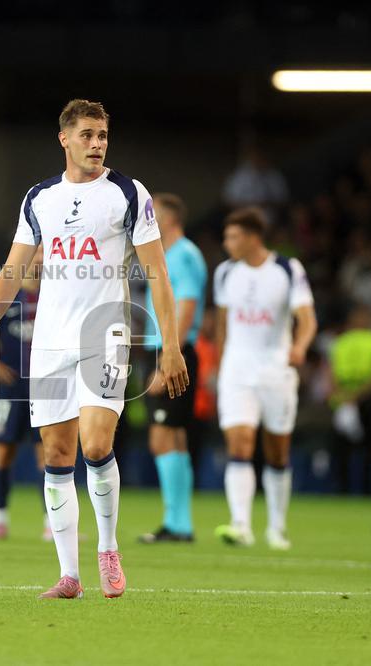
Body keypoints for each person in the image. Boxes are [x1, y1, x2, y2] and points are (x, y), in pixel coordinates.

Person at [0, 99, 188, 599]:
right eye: (87, 135)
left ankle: (107, 548)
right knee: (56, 455)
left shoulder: (129, 193)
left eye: (103, 135)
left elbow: (158, 275)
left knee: (95, 445)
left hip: (104, 333)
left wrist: (169, 347)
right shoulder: (38, 198)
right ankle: (69, 575)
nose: (96, 144)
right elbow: (12, 271)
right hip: (49, 340)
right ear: (63, 138)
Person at [213, 207, 317, 550]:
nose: (228, 243)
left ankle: (277, 527)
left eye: (233, 236)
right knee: (240, 443)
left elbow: (307, 317)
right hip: (237, 371)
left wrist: (300, 346)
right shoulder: (226, 272)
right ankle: (240, 524)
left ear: (253, 237)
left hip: (276, 370)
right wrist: (220, 364)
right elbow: (223, 324)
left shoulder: (287, 269)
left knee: (277, 451)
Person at [137, 193, 207, 544]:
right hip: (164, 349)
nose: (149, 221)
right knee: (173, 435)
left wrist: (169, 356)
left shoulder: (185, 255)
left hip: (172, 351)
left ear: (169, 219)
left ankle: (177, 522)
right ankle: (179, 523)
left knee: (164, 435)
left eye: (154, 215)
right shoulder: (168, 255)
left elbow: (189, 306)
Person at [0, 263, 49, 541]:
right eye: (35, 254)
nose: (39, 261)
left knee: (48, 453)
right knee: (3, 452)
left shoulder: (55, 295)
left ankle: (50, 523)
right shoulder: (7, 295)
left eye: (45, 254)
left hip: (46, 386)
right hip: (10, 385)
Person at [329, 306, 371, 495]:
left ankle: (367, 490)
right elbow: (331, 371)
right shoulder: (340, 342)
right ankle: (343, 490)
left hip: (366, 398)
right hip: (345, 399)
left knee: (369, 450)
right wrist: (344, 396)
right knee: (342, 450)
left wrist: (353, 396)